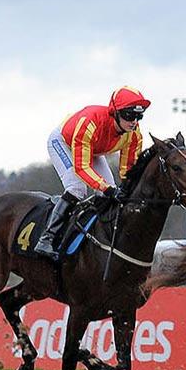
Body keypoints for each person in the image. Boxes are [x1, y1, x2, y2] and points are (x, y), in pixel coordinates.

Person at [36, 86, 150, 261]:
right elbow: (82, 168)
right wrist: (106, 188)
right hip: (63, 143)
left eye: (138, 116)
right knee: (77, 188)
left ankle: (97, 238)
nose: (134, 121)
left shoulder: (134, 135)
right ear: (115, 112)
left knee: (109, 192)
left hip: (93, 149)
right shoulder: (91, 123)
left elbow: (127, 172)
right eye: (129, 115)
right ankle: (47, 238)